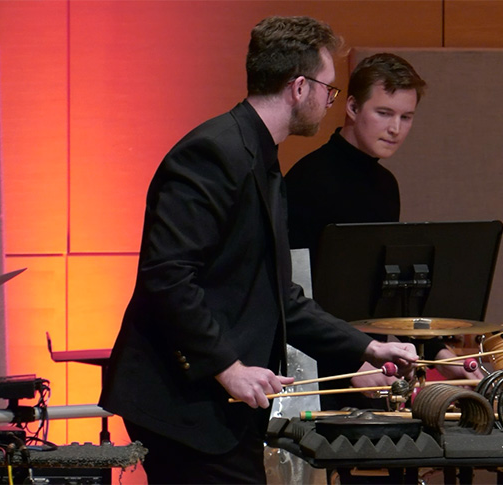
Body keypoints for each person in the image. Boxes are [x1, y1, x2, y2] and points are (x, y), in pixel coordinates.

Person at [98, 17, 417, 484]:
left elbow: (278, 295)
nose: (329, 105)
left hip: (221, 407)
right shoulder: (213, 153)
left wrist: (366, 347)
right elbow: (166, 277)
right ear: (299, 87)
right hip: (182, 401)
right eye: (328, 92)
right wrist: (227, 367)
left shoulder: (261, 159)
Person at [285, 53, 481, 412]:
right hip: (313, 375)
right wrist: (350, 363)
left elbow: (390, 288)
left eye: (406, 117)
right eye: (384, 113)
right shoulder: (307, 181)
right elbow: (291, 295)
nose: (396, 128)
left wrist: (438, 351)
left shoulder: (385, 185)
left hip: (372, 367)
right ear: (353, 107)